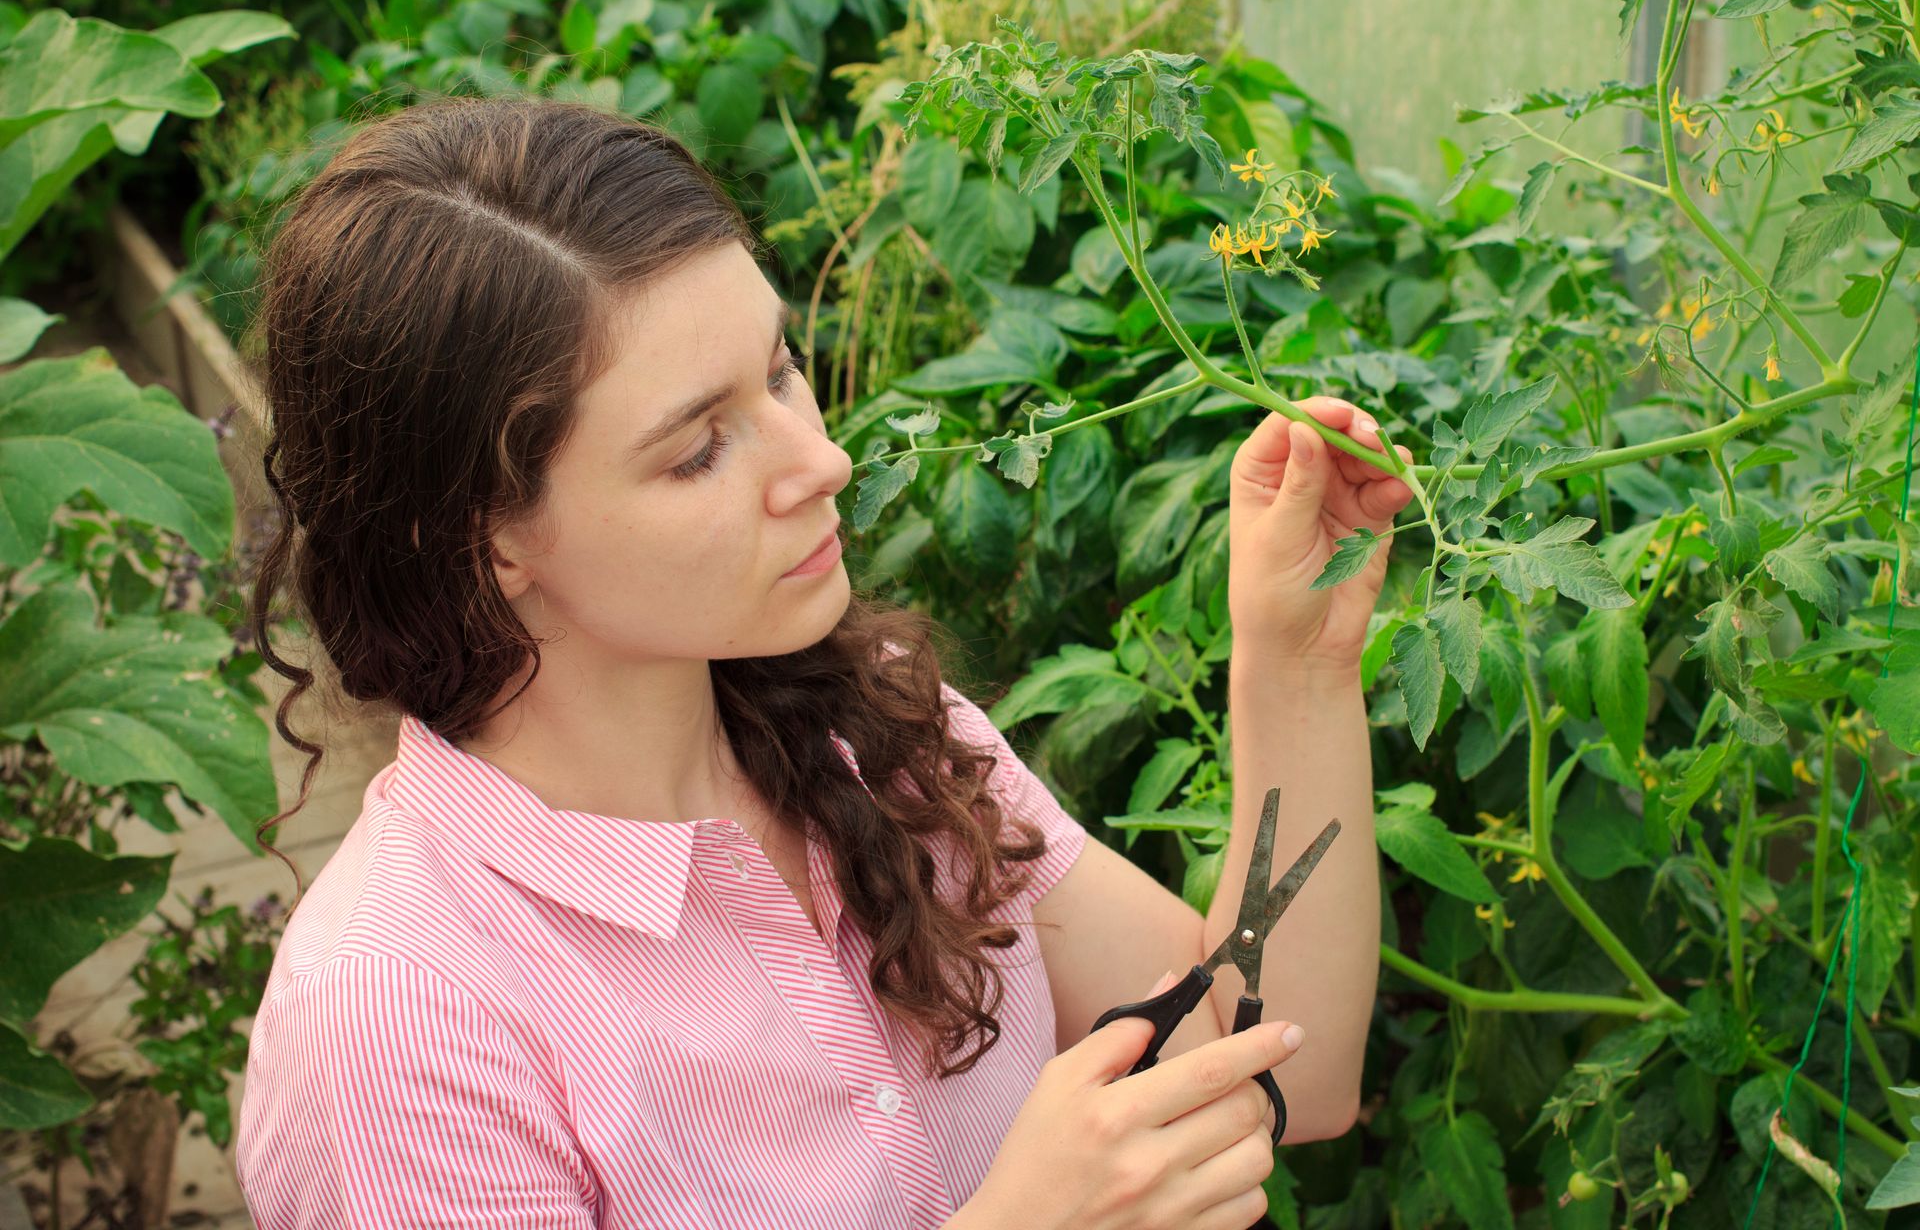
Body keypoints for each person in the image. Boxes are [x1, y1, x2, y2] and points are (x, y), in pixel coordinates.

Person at [232, 94, 1407, 1230]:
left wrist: (1295, 664)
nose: (821, 459)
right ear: (485, 537)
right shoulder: (401, 1020)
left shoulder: (878, 739)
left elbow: (1275, 1064)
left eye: (783, 369)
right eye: (699, 449)